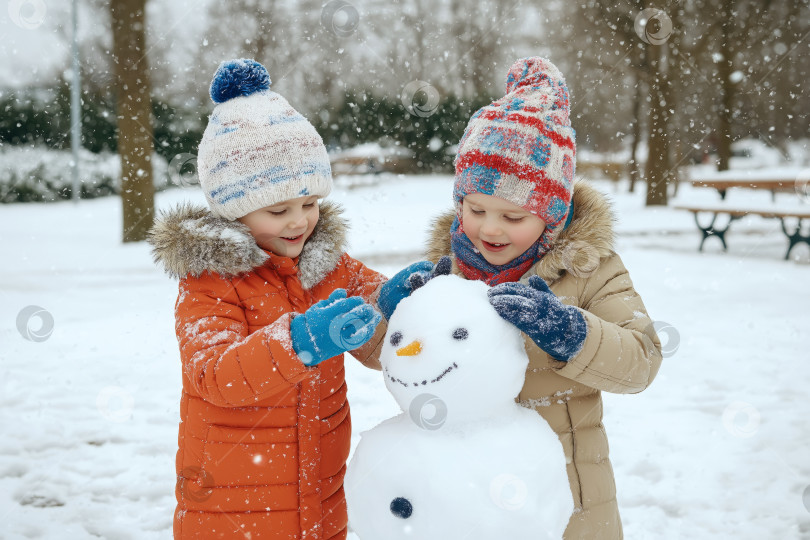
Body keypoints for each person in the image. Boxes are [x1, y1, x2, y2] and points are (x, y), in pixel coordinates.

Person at [383, 57, 664, 539]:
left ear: (552, 216)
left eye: (513, 217)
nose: (489, 229)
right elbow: (391, 364)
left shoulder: (589, 269)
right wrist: (390, 316)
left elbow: (642, 360)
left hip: (566, 500)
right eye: (475, 209)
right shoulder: (443, 270)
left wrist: (570, 334)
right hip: (466, 499)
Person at [148, 59, 388, 540]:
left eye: (310, 203)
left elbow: (379, 331)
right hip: (232, 507)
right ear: (235, 209)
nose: (299, 222)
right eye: (279, 209)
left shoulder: (327, 263)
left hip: (319, 496)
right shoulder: (210, 280)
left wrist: (401, 299)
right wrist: (299, 342)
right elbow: (213, 375)